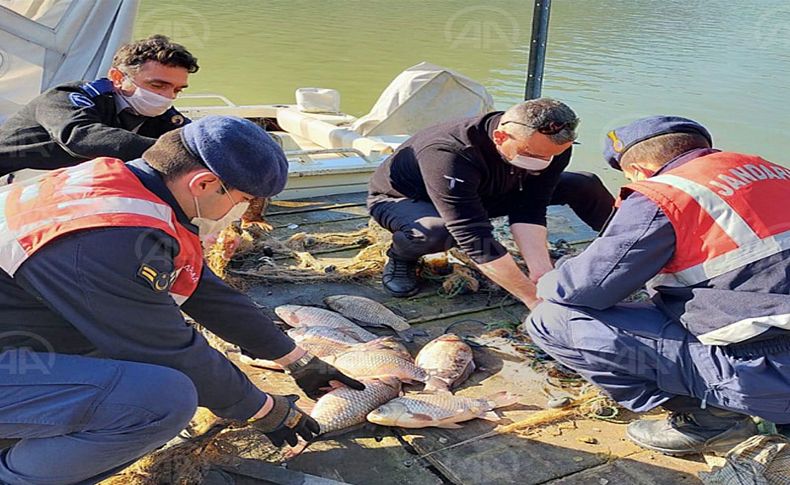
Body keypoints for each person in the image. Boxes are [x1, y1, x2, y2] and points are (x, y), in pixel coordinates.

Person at [0, 115, 363, 484]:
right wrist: (264, 409)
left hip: (17, 339)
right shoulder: (109, 241)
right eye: (244, 201)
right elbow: (167, 350)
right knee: (161, 399)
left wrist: (297, 360)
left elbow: (200, 287)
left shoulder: (120, 186)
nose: (242, 213)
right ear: (204, 183)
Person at [523, 116, 790, 456]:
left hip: (769, 374)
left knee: (551, 319)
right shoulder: (770, 170)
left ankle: (711, 421)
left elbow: (587, 288)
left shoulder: (667, 192)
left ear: (639, 169)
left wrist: (549, 276)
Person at [367, 98, 615, 300]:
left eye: (551, 156)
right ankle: (401, 258)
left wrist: (540, 271)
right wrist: (532, 300)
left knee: (584, 184)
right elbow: (472, 235)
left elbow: (530, 205)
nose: (541, 163)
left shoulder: (553, 145)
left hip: (489, 192)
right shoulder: (448, 152)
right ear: (500, 137)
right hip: (407, 200)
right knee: (437, 231)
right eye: (531, 154)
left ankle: (626, 245)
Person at [0, 34, 197, 182]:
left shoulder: (162, 116)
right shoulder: (66, 97)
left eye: (177, 90)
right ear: (118, 78)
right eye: (157, 85)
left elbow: (192, 140)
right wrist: (169, 152)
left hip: (69, 184)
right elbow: (81, 137)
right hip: (14, 178)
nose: (167, 96)